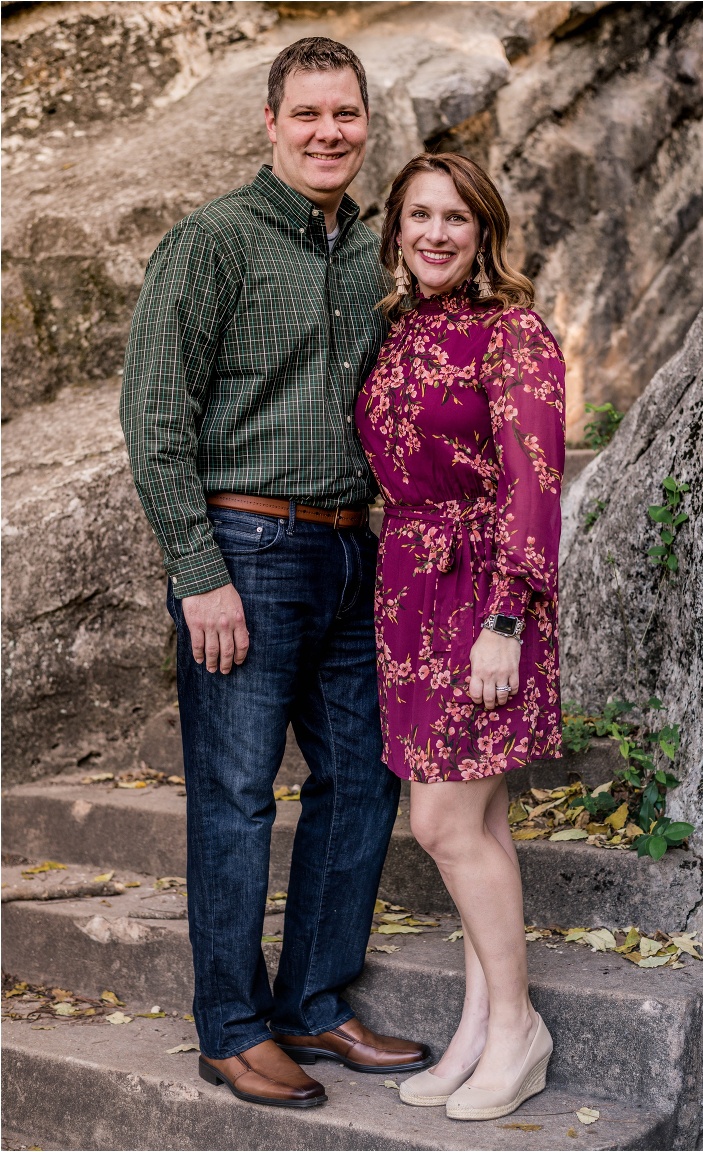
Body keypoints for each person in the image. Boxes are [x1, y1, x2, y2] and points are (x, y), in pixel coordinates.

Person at [120, 37, 430, 1110]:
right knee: (237, 795)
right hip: (245, 553)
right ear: (270, 122)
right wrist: (197, 571)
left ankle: (314, 1003)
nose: (328, 132)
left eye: (345, 114)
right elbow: (155, 421)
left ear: (365, 124)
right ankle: (230, 1027)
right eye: (308, 115)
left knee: (365, 777)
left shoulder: (370, 250)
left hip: (354, 552)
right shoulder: (209, 244)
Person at [355, 152, 566, 1122]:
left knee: (440, 823)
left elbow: (533, 482)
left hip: (483, 588)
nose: (436, 234)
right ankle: (483, 1027)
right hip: (408, 591)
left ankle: (517, 1026)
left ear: (485, 233)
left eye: (456, 219)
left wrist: (507, 621)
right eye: (419, 216)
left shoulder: (512, 334)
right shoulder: (399, 329)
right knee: (476, 822)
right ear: (395, 228)